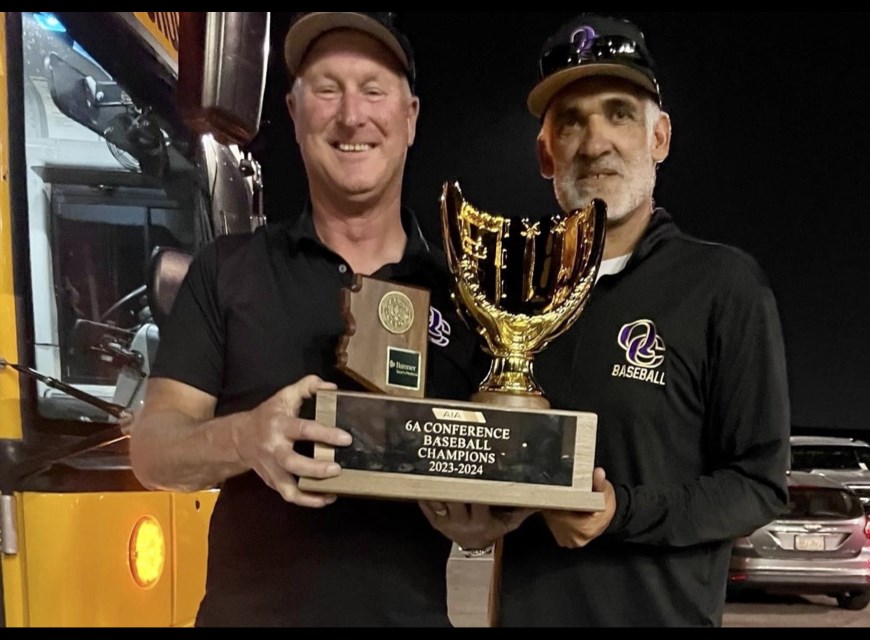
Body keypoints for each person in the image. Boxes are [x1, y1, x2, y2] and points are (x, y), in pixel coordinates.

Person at [423, 13, 791, 627]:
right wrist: (472, 512)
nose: (596, 142)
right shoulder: (508, 290)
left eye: (619, 113)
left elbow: (758, 484)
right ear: (546, 153)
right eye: (571, 121)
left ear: (660, 138)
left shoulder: (723, 287)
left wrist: (621, 510)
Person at [128, 12, 485, 627]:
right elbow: (152, 451)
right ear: (294, 115)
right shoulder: (227, 272)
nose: (351, 116)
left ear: (410, 118)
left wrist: (484, 519)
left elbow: (495, 472)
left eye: (374, 89)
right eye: (327, 88)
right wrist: (244, 438)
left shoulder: (467, 299)